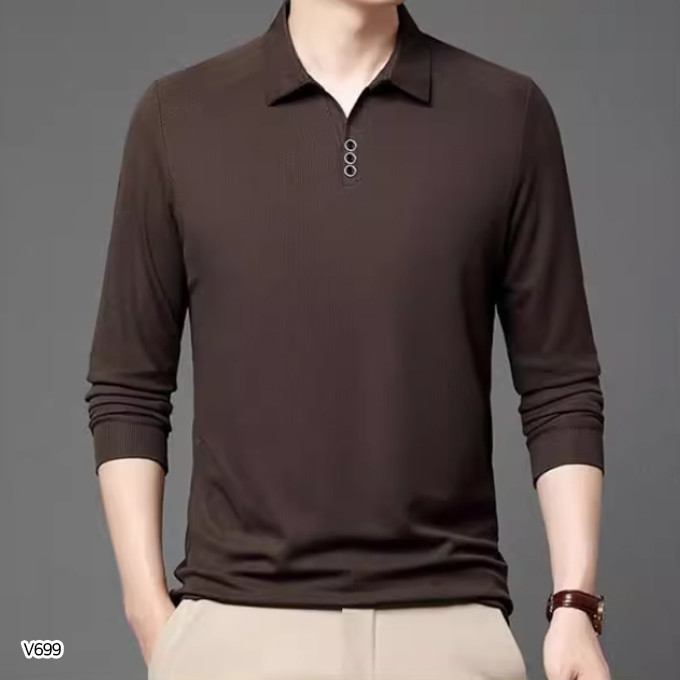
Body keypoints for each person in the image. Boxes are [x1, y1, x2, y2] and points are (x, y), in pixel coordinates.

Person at [84, 1, 611, 678]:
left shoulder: (508, 115)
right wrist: (149, 610)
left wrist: (575, 604)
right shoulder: (177, 118)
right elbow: (128, 386)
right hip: (235, 629)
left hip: (449, 630)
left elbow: (559, 386)